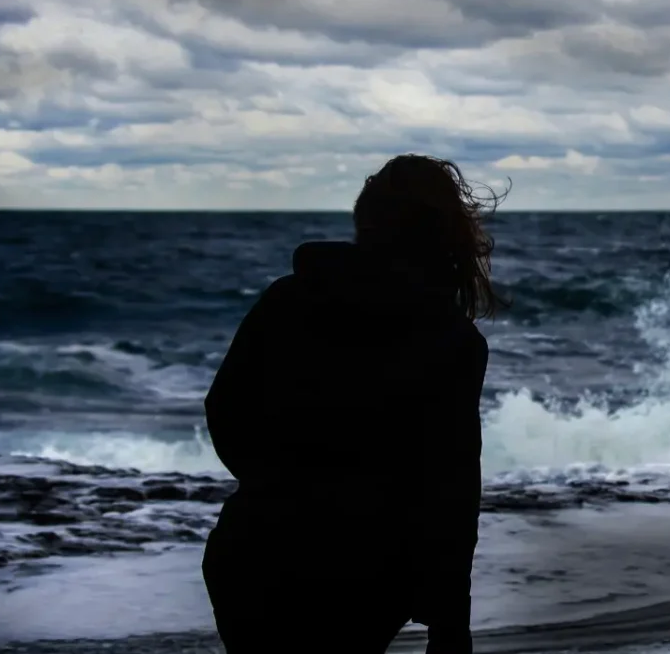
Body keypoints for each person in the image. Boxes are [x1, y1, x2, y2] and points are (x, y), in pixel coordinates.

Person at [200, 155, 504, 653]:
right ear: (445, 235)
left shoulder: (289, 298)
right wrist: (450, 622)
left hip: (254, 551)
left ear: (364, 225)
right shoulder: (451, 340)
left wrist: (275, 487)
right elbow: (450, 490)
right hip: (368, 574)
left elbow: (225, 408)